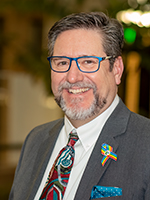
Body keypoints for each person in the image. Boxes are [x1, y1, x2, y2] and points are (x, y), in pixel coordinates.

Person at [9, 12, 150, 200]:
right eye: (62, 62)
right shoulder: (36, 140)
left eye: (88, 62)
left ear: (116, 69)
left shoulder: (145, 145)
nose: (73, 77)